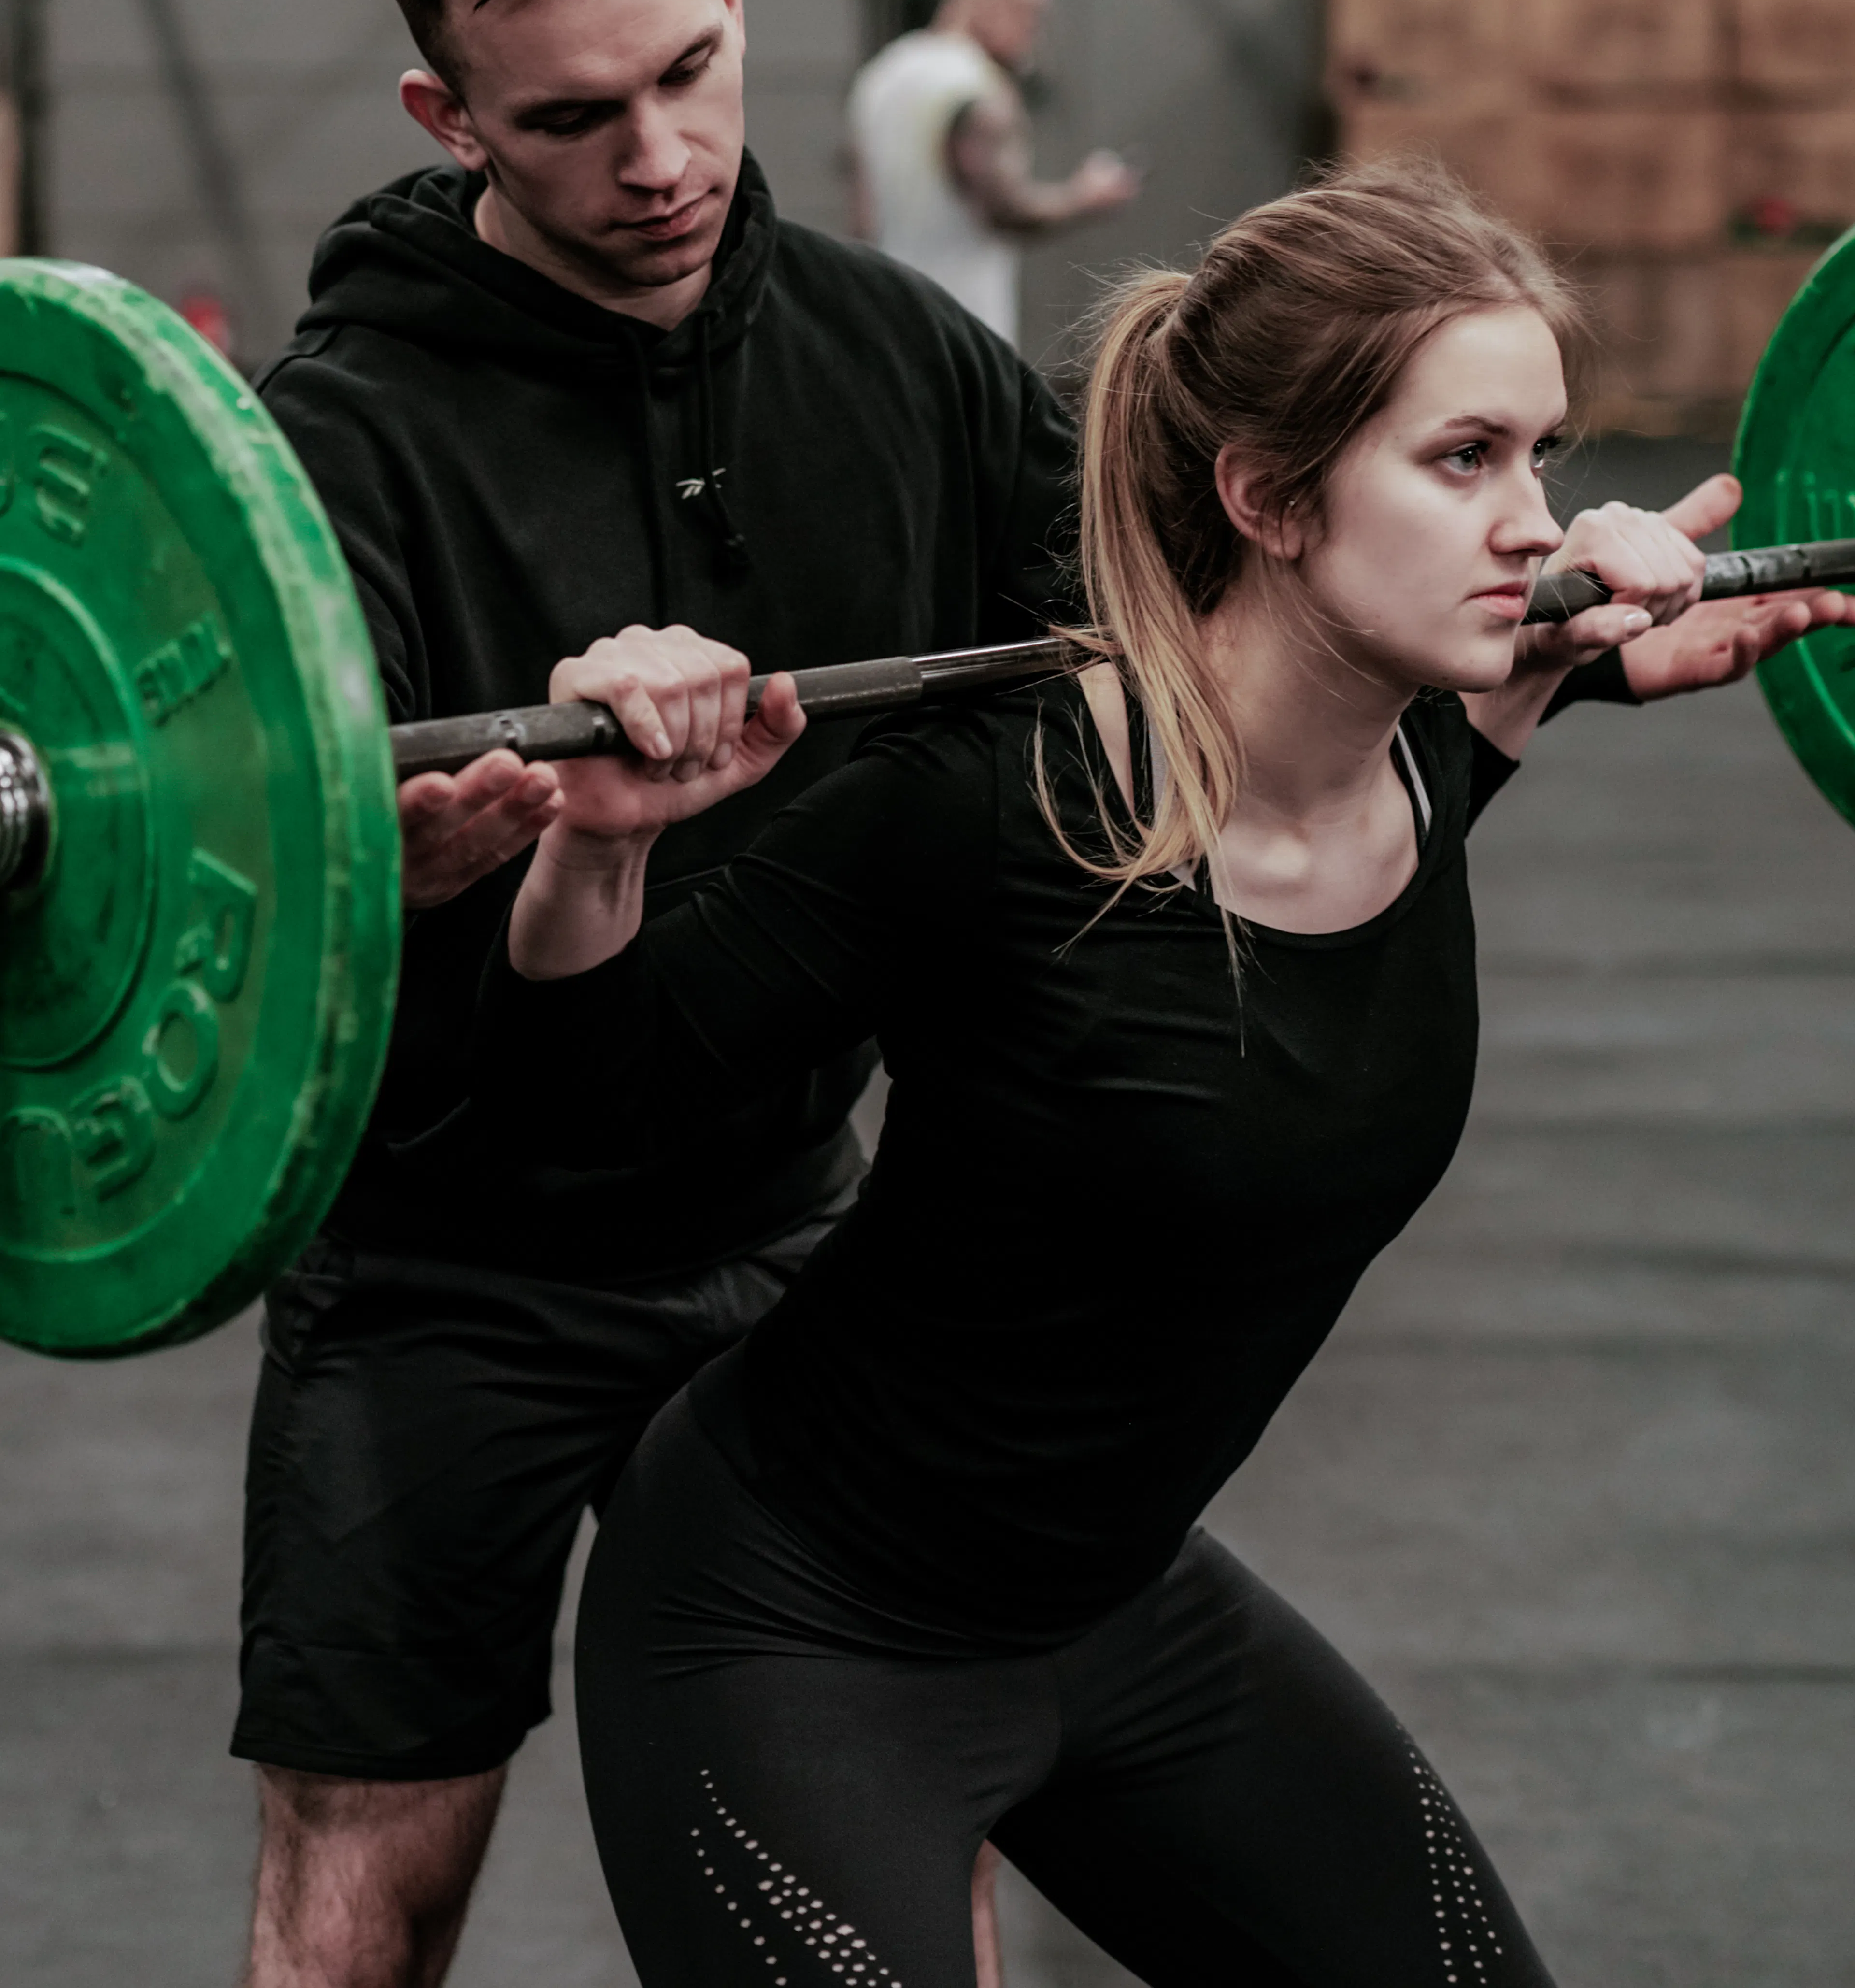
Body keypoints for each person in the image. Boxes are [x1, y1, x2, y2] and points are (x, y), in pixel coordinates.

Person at [472, 160, 1855, 1988]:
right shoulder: (992, 802)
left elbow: (1521, 664)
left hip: (1116, 1605)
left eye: (1542, 456)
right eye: (1465, 460)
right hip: (795, 1627)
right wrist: (598, 845)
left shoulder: (1432, 755)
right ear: (1266, 495)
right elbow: (582, 1103)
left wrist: (1592, 650)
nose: (1537, 522)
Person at [236, 0, 1075, 1988]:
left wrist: (1520, 604)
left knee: (890, 1858)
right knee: (365, 1882)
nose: (661, 161)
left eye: (687, 71)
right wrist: (387, 870)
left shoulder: (907, 360)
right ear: (447, 118)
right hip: (449, 1265)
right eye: (568, 121)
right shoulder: (343, 442)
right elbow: (251, 898)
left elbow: (1183, 647)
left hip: (801, 1224)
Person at [847, 0, 1140, 347]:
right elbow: (1007, 210)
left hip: (891, 317)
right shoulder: (980, 89)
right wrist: (1085, 196)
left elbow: (864, 220)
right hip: (966, 329)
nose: (1031, 37)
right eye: (1029, 18)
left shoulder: (881, 77)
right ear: (992, 4)